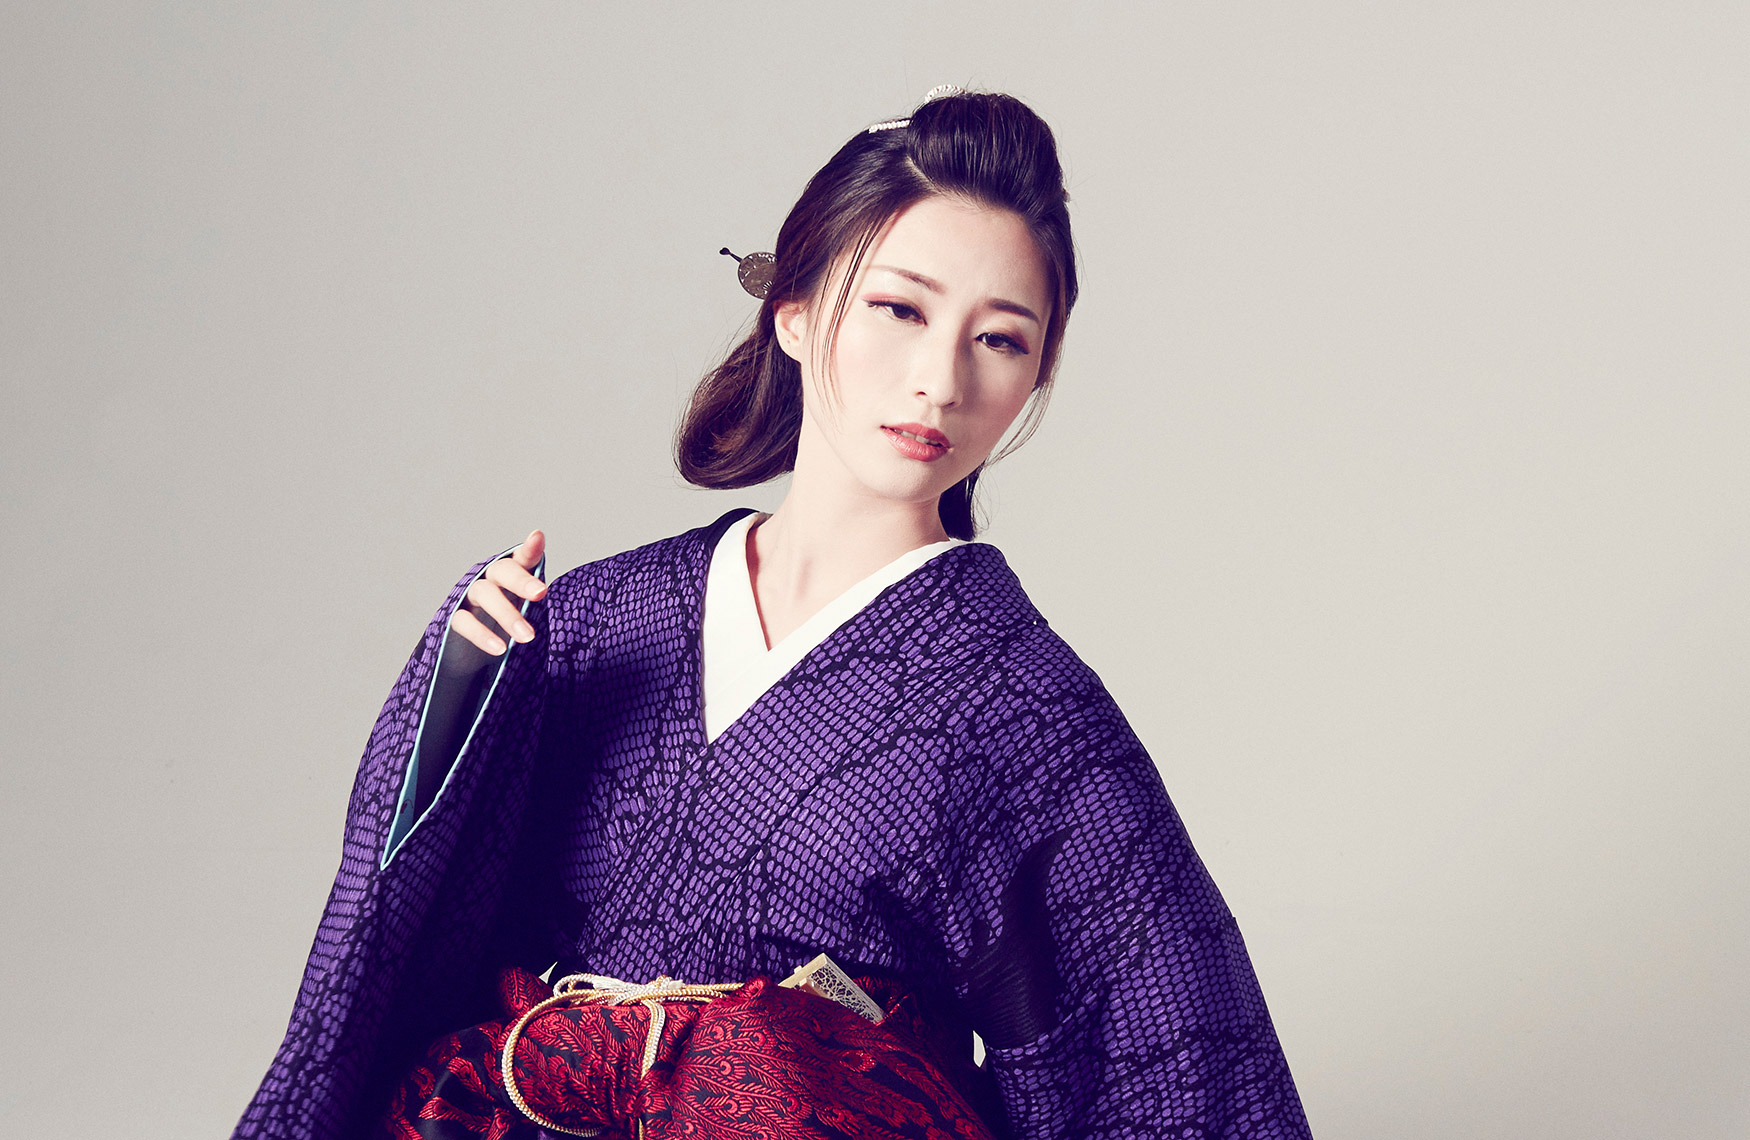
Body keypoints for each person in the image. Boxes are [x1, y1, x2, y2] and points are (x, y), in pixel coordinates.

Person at [233, 87, 1313, 1140]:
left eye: (1000, 339)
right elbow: (431, 934)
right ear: (794, 312)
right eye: (900, 309)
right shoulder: (603, 618)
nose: (940, 380)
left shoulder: (1029, 708)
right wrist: (464, 694)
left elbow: (1161, 1051)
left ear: (1034, 377)